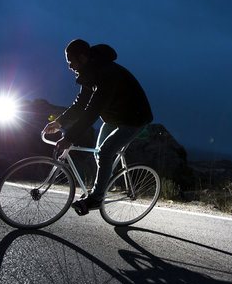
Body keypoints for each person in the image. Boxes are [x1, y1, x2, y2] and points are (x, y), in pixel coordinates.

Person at [43, 39, 153, 215]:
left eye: (71, 61)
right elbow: (81, 104)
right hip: (115, 118)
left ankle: (96, 198)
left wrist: (69, 137)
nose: (70, 66)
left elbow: (92, 112)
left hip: (135, 119)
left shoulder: (107, 74)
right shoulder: (90, 72)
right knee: (99, 152)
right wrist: (60, 122)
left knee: (105, 152)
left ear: (83, 57)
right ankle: (103, 186)